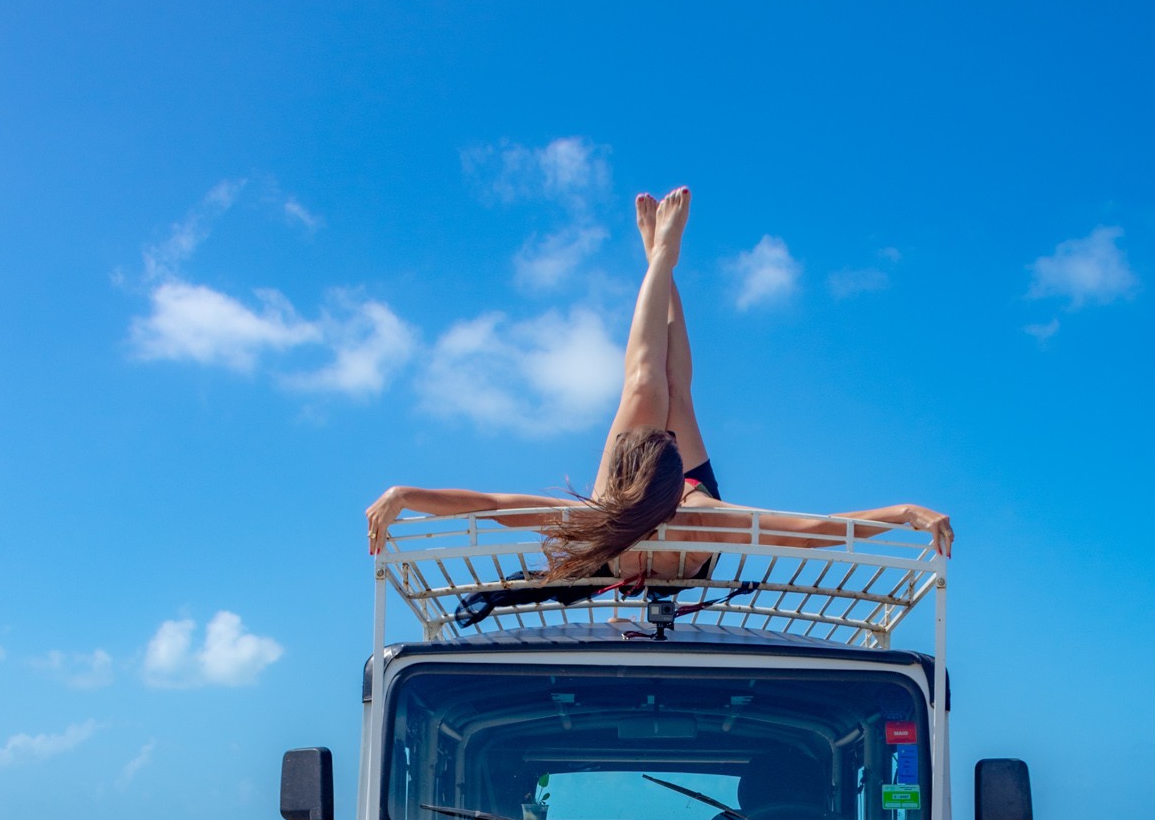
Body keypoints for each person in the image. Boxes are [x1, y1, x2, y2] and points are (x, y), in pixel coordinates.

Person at [365, 187, 953, 588]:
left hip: (663, 498)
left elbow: (813, 533)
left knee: (652, 384)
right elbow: (492, 507)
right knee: (667, 385)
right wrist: (901, 512)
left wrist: (406, 493)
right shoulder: (607, 515)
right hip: (639, 500)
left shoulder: (698, 513)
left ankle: (658, 261)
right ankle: (662, 260)